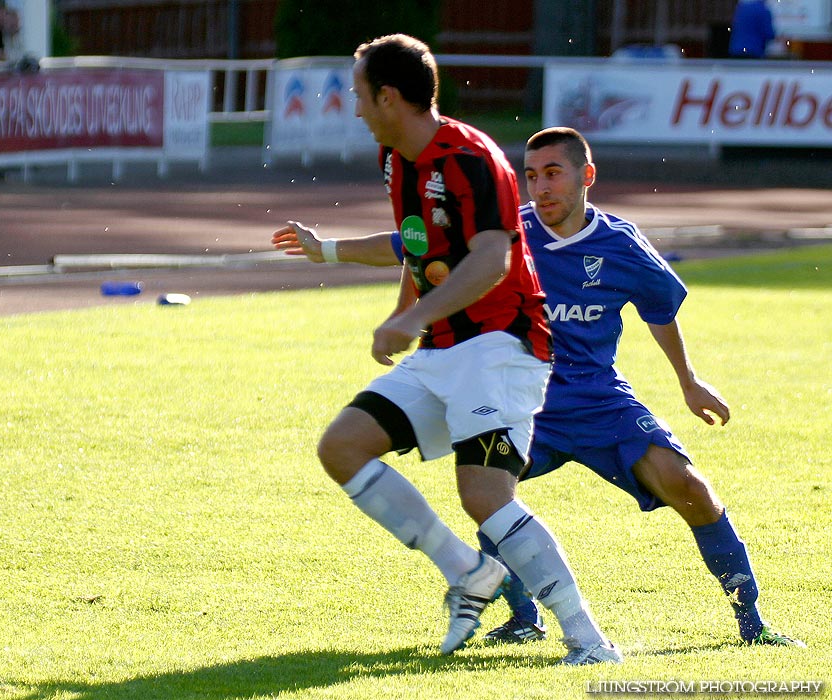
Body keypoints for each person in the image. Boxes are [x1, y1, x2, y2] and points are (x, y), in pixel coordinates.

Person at [271, 126, 803, 649]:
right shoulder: (505, 233)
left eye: (553, 173)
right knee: (492, 497)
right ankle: (524, 618)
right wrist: (332, 253)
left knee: (690, 488)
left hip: (599, 399)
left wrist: (688, 383)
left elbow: (660, 310)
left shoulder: (621, 245)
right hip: (522, 398)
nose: (540, 187)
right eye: (530, 176)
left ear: (586, 176)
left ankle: (751, 621)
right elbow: (413, 246)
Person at [274, 34, 621, 665]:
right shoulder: (394, 157)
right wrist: (327, 250)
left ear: (388, 96)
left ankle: (590, 640)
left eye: (359, 93)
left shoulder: (471, 157)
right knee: (342, 447)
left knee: (485, 497)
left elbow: (492, 258)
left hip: (502, 346)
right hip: (442, 348)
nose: (353, 106)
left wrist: (413, 317)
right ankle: (469, 572)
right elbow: (416, 242)